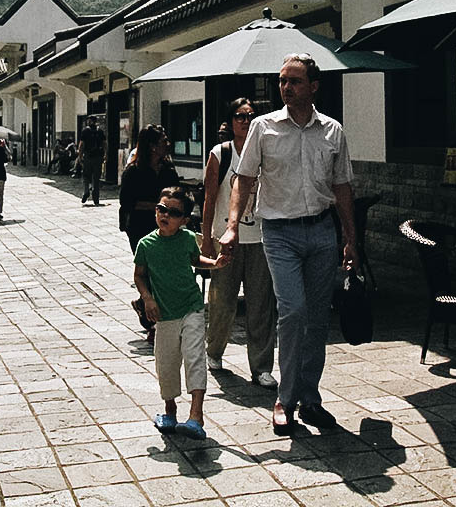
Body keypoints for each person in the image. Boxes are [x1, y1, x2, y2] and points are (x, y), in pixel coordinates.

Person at [220, 53, 358, 436]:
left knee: (317, 319)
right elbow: (243, 180)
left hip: (321, 232)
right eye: (282, 80)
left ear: (313, 87)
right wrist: (232, 227)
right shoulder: (263, 128)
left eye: (294, 81)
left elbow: (343, 187)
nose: (285, 87)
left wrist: (351, 239)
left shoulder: (333, 131)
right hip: (279, 233)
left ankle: (309, 399)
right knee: (293, 311)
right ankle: (284, 398)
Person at [134, 186, 228, 440]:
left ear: (184, 220)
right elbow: (140, 275)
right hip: (164, 315)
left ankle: (196, 416)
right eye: (161, 209)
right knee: (166, 365)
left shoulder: (187, 238)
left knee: (195, 357)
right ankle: (170, 410)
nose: (165, 215)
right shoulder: (146, 244)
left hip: (191, 308)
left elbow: (195, 259)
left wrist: (215, 263)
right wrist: (147, 298)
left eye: (173, 212)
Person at [200, 98, 277, 389]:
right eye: (239, 116)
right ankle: (214, 350)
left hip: (260, 238)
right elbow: (209, 200)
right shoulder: (221, 154)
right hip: (226, 239)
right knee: (222, 302)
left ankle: (261, 367)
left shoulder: (266, 151)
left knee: (261, 305)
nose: (245, 121)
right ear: (230, 121)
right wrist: (207, 239)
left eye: (250, 116)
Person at [119, 125, 180, 253]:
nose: (168, 144)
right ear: (152, 147)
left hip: (167, 227)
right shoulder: (133, 172)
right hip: (141, 226)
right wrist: (157, 207)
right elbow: (126, 202)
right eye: (163, 141)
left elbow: (176, 192)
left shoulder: (168, 169)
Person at [78, 116, 106, 205]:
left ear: (89, 121)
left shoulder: (85, 131)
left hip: (88, 157)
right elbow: (105, 143)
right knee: (96, 178)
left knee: (86, 176)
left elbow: (82, 144)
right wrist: (105, 154)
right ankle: (96, 197)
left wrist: (80, 156)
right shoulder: (100, 131)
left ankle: (86, 190)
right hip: (98, 157)